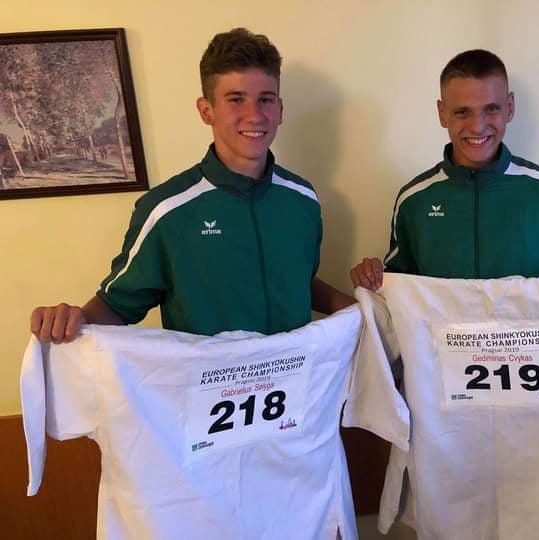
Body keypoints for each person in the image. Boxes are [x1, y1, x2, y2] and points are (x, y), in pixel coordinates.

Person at [31, 28, 354, 343]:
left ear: (280, 109)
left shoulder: (302, 198)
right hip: (207, 380)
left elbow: (299, 281)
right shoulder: (166, 209)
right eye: (236, 99)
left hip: (298, 377)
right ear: (206, 110)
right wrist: (73, 319)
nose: (254, 115)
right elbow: (118, 303)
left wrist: (362, 309)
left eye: (265, 99)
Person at [350, 49, 539, 290]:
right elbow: (396, 295)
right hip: (439, 357)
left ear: (509, 108)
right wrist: (372, 277)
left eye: (492, 109)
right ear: (442, 113)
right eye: (462, 112)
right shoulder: (414, 200)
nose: (477, 126)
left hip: (537, 356)